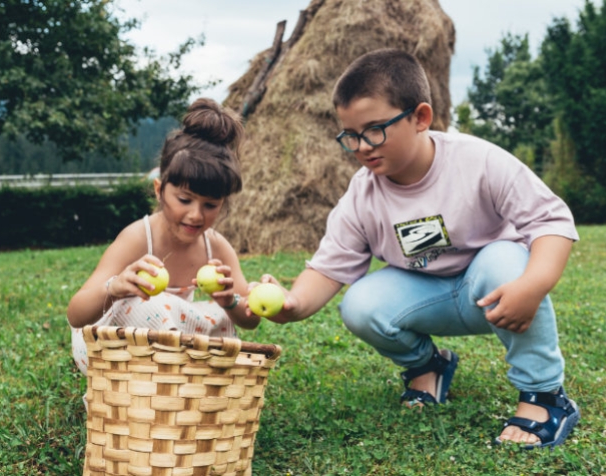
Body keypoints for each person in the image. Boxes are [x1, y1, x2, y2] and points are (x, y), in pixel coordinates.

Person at [249, 48, 581, 449]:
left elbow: (551, 222)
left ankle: (545, 395)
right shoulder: (363, 195)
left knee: (505, 260)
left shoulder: (478, 161)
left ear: (420, 117)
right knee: (360, 304)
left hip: (496, 289)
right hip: (428, 295)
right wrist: (291, 302)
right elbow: (328, 268)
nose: (362, 146)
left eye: (375, 129)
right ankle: (429, 367)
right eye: (350, 135)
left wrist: (533, 284)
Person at [67, 98, 260, 376]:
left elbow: (249, 321)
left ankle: (181, 377)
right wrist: (115, 287)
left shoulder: (215, 247)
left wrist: (230, 301)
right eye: (184, 199)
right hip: (108, 348)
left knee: (218, 315)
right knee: (154, 304)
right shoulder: (138, 237)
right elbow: (76, 315)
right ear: (159, 190)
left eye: (210, 205)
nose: (196, 215)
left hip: (166, 347)